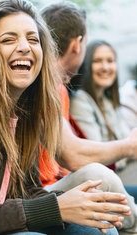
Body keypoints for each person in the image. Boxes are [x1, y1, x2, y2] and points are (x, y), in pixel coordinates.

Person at [0, 0, 129, 234]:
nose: (25, 47)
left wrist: (76, 204)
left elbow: (29, 190)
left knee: (99, 228)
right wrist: (57, 206)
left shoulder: (25, 111)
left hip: (14, 217)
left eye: (33, 39)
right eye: (8, 40)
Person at [41, 2, 137, 233]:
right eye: (98, 60)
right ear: (78, 44)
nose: (105, 68)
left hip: (60, 183)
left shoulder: (60, 89)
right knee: (98, 175)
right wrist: (130, 147)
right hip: (45, 191)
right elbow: (74, 155)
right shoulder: (47, 88)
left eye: (110, 61)